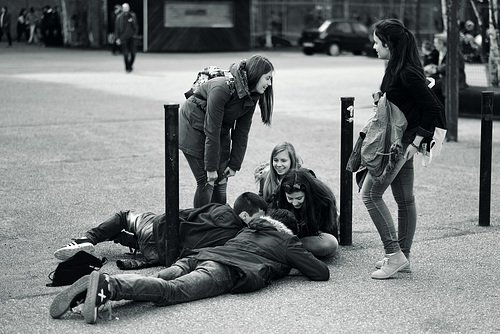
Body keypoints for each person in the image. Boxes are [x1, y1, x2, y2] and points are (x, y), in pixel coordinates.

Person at [50, 209, 329, 324]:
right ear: (288, 230)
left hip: (198, 257)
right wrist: (293, 258)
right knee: (170, 292)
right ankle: (110, 285)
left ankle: (92, 290)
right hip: (223, 270)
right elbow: (320, 272)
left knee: (161, 280)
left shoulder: (251, 228)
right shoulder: (287, 241)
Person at [366, 19, 443, 279]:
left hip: (400, 144)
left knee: (370, 195)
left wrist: (417, 141)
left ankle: (395, 254)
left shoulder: (406, 72)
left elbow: (433, 107)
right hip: (399, 141)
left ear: (389, 44)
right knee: (404, 199)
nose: (374, 46)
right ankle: (403, 257)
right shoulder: (397, 67)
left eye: (377, 42)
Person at [52, 192, 268, 270]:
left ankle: (87, 238)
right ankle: (120, 238)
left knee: (124, 216)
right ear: (245, 217)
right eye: (259, 218)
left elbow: (185, 214)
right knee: (153, 240)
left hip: (155, 231)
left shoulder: (219, 209)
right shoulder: (237, 237)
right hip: (162, 256)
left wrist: (160, 219)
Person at [179, 54, 274, 208]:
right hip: (194, 125)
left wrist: (234, 163)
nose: (269, 84)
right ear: (256, 75)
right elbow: (212, 130)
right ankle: (201, 223)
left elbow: (242, 131)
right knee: (206, 180)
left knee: (221, 179)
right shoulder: (221, 88)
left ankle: (219, 219)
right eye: (267, 78)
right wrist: (210, 167)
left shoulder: (252, 94)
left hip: (218, 128)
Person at [274, 168, 339, 258]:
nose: (295, 203)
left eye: (299, 198)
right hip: (290, 236)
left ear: (307, 193)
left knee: (330, 243)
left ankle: (287, 248)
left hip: (314, 234)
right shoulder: (279, 194)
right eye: (290, 198)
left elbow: (328, 228)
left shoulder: (323, 199)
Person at [254, 142, 303, 207]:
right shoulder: (265, 177)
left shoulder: (301, 178)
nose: (279, 165)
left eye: (283, 160)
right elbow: (261, 202)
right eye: (276, 160)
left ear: (292, 161)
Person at [426, 32, 468, 105]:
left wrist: (436, 69)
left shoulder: (454, 53)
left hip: (454, 80)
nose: (434, 45)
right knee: (427, 81)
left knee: (431, 87)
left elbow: (450, 67)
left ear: (442, 44)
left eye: (436, 43)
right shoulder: (442, 52)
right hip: (445, 78)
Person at [115, 3, 139, 72]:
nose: (125, 10)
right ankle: (127, 67)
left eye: (126, 8)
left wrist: (132, 22)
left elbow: (136, 26)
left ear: (128, 8)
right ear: (122, 9)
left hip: (132, 37)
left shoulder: (133, 16)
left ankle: (130, 65)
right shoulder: (119, 17)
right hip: (123, 37)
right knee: (125, 54)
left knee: (133, 53)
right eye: (124, 9)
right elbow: (116, 29)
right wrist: (117, 38)